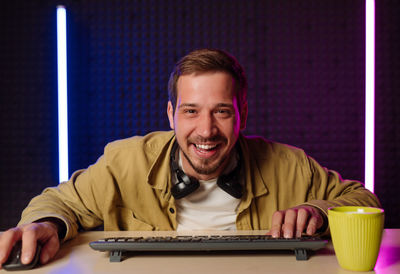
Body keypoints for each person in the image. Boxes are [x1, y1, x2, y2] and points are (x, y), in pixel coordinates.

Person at [0, 49, 381, 268]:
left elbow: (365, 200)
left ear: (243, 115)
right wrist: (46, 224)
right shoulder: (124, 162)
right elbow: (58, 202)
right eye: (191, 111)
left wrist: (317, 209)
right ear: (171, 115)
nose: (206, 130)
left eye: (222, 111)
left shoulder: (289, 165)